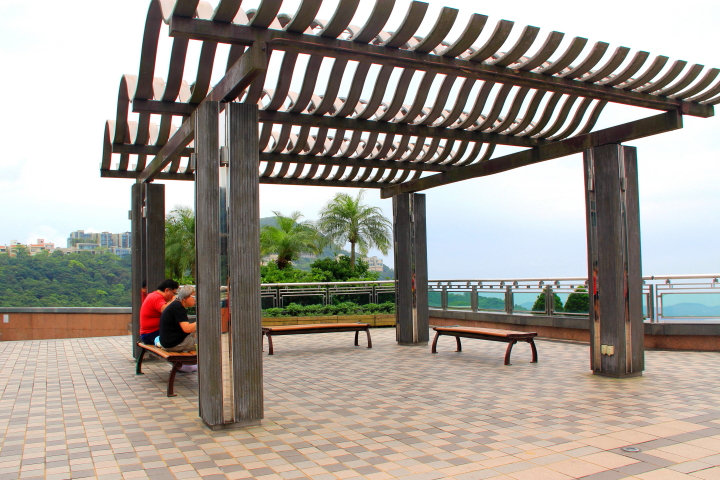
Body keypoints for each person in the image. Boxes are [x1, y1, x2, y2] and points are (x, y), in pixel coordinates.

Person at [139, 279, 179, 345]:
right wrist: (174, 300)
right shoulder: (157, 297)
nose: (173, 296)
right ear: (167, 290)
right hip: (150, 334)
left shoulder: (153, 295)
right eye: (174, 293)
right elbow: (166, 310)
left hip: (149, 334)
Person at [159, 285, 197, 352]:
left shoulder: (176, 305)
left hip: (168, 342)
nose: (195, 299)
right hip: (174, 344)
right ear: (184, 298)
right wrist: (202, 321)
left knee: (197, 334)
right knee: (206, 342)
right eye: (193, 296)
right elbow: (187, 329)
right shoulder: (178, 308)